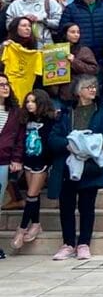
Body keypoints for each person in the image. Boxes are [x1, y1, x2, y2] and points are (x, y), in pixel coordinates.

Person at [47, 76, 103, 260]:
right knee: (66, 206)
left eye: (94, 86)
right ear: (78, 91)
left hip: (90, 163)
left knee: (87, 205)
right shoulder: (66, 112)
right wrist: (69, 145)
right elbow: (53, 138)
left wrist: (85, 146)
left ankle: (84, 243)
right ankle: (68, 243)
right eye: (88, 87)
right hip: (67, 164)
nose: (93, 90)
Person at [7, 89, 58, 252]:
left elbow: (51, 140)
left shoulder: (50, 119)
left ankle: (21, 229)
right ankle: (35, 224)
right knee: (33, 196)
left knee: (31, 195)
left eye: (33, 101)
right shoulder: (25, 119)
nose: (29, 104)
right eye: (28, 101)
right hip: (28, 160)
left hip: (42, 162)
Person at [54, 23, 98, 107]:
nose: (76, 35)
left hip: (80, 94)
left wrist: (74, 61)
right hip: (63, 94)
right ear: (65, 34)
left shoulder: (84, 50)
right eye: (73, 32)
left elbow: (93, 70)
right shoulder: (56, 50)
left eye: (78, 32)